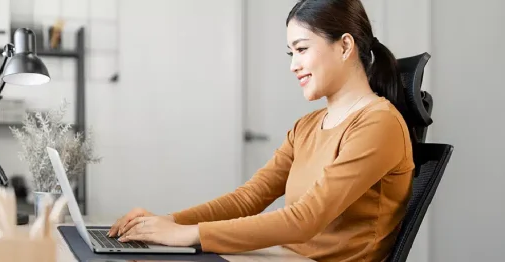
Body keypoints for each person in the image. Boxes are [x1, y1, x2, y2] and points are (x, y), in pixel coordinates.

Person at [107, 0, 415, 261]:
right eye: (290, 53)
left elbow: (305, 220)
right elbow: (248, 199)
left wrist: (188, 234)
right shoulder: (306, 126)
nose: (294, 65)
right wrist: (169, 221)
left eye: (302, 49)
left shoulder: (379, 124)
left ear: (345, 45)